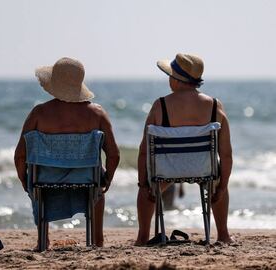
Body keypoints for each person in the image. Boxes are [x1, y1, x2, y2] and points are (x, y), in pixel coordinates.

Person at [14, 57, 120, 248]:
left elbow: (20, 155)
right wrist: (108, 179)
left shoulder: (39, 113)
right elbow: (114, 154)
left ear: (54, 84)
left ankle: (43, 239)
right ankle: (97, 239)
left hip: (45, 179)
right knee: (98, 185)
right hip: (86, 178)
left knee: (36, 180)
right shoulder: (97, 113)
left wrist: (25, 180)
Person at [135, 53, 233, 245]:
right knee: (217, 180)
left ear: (177, 80)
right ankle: (223, 235)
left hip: (166, 171)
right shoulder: (214, 106)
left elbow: (144, 150)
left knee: (148, 187)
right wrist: (222, 187)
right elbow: (226, 154)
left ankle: (142, 237)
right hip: (204, 170)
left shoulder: (160, 105)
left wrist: (143, 184)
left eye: (170, 75)